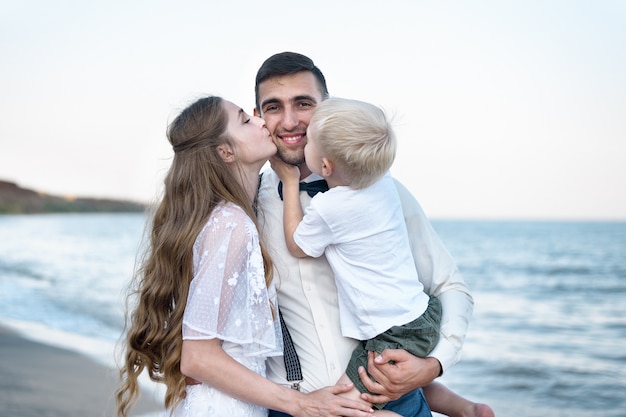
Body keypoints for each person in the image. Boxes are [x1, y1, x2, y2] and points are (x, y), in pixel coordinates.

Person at [253, 52, 495, 417]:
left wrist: (434, 366)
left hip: (395, 402)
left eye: (303, 103)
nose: (289, 121)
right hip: (289, 407)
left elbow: (450, 287)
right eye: (273, 107)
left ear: (327, 109)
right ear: (258, 118)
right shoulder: (247, 204)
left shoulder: (384, 190)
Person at [115, 95, 376, 417]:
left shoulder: (228, 218)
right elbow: (198, 358)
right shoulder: (231, 224)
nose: (261, 122)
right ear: (225, 151)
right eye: (244, 119)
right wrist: (301, 403)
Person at [271, 96, 443, 415]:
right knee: (386, 384)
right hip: (423, 312)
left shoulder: (332, 207)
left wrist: (291, 182)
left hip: (390, 332)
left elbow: (297, 244)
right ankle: (463, 409)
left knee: (345, 405)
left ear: (325, 166)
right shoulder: (383, 183)